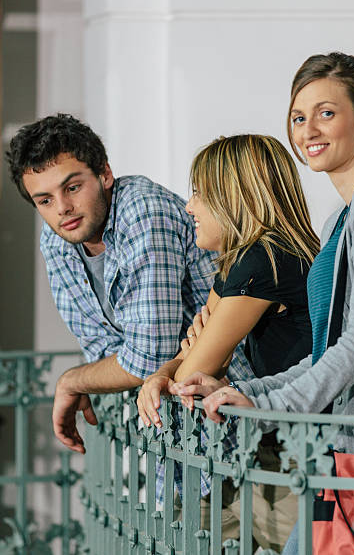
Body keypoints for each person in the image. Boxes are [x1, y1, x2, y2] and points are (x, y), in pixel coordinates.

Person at [176, 53, 354, 553]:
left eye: (326, 112)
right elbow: (326, 351)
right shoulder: (339, 223)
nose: (308, 130)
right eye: (298, 118)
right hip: (343, 448)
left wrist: (269, 404)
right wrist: (246, 393)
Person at [5, 113, 253, 461]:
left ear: (104, 174)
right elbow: (102, 350)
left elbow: (147, 357)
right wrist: (101, 372)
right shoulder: (57, 239)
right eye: (44, 200)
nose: (62, 208)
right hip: (168, 443)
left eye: (72, 187)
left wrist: (73, 381)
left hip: (233, 431)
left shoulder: (142, 211)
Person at [137, 133, 320, 551]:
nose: (190, 207)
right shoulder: (246, 260)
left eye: (200, 193)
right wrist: (160, 374)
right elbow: (186, 360)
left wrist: (181, 365)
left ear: (232, 196)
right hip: (264, 444)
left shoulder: (266, 259)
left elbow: (192, 373)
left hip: (292, 456)